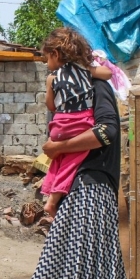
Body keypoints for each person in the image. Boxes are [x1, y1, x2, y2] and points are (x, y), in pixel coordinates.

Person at [0, 78, 140, 279]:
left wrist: (58, 147)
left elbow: (107, 132)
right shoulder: (73, 98)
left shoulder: (96, 87)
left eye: (51, 61)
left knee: (72, 276)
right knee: (71, 276)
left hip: (90, 193)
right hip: (79, 192)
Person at [39, 27, 112, 217]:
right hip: (80, 123)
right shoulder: (85, 71)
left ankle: (48, 191)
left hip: (58, 126)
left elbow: (50, 105)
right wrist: (89, 68)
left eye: (47, 58)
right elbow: (108, 74)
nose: (47, 63)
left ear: (55, 54)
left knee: (59, 156)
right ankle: (53, 201)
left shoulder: (52, 78)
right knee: (74, 157)